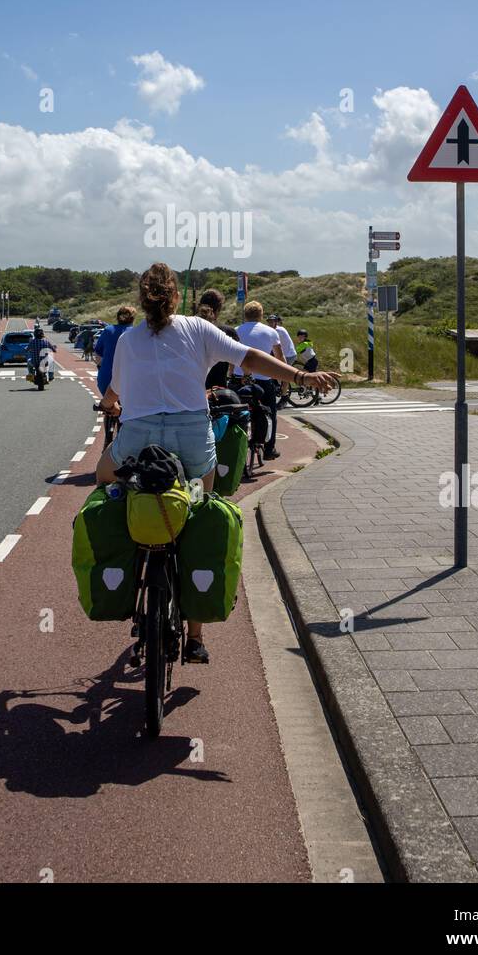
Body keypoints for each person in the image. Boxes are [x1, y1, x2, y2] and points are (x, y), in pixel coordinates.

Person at [97, 263, 334, 663]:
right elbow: (253, 360)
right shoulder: (198, 328)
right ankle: (194, 635)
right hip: (191, 439)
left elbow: (113, 391)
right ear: (176, 297)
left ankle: (130, 566)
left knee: (106, 481)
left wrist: (110, 404)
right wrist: (301, 377)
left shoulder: (129, 340)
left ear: (141, 301)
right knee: (197, 516)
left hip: (137, 438)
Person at [233, 300, 284, 460]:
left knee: (235, 413)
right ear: (261, 315)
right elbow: (280, 358)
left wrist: (231, 374)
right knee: (271, 413)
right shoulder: (271, 332)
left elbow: (230, 358)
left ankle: (236, 448)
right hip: (263, 380)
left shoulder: (236, 331)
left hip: (240, 378)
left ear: (245, 315)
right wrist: (284, 382)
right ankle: (269, 449)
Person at [198, 288, 240, 389]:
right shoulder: (227, 332)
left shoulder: (187, 327)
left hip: (193, 389)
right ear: (218, 309)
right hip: (218, 390)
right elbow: (238, 360)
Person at [94, 306, 135, 396]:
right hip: (129, 380)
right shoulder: (136, 333)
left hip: (106, 378)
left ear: (117, 317)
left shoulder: (108, 330)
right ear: (133, 319)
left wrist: (101, 368)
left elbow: (98, 354)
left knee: (109, 405)